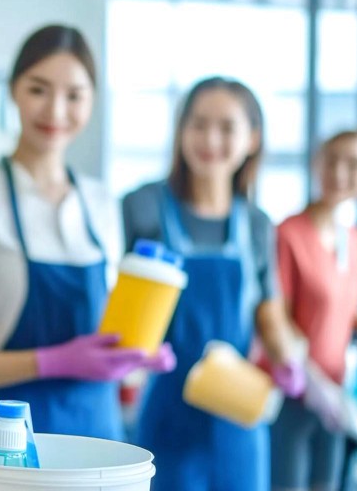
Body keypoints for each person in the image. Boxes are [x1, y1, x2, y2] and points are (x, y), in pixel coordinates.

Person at [0, 25, 174, 442]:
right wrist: (51, 361)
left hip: (100, 437)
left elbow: (105, 333)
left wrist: (134, 355)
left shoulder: (101, 203)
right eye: (39, 89)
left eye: (74, 96)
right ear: (13, 90)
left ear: (92, 101)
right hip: (11, 441)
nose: (56, 111)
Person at [122, 76, 304, 491]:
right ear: (181, 130)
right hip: (168, 408)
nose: (210, 139)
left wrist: (287, 358)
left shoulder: (257, 226)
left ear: (252, 139)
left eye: (226, 128)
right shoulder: (142, 207)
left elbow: (268, 311)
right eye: (198, 124)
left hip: (238, 404)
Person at [271, 130, 357, 491]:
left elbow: (346, 306)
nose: (339, 172)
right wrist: (306, 375)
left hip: (339, 394)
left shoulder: (353, 238)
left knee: (328, 483)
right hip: (297, 391)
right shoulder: (289, 233)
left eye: (353, 164)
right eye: (331, 160)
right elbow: (277, 316)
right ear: (316, 165)